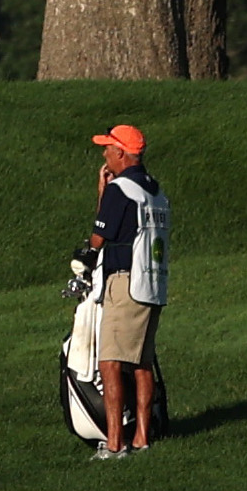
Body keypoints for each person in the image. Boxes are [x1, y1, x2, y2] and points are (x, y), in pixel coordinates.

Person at [84, 123, 170, 458]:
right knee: (141, 362)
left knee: (110, 362)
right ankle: (142, 438)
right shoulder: (156, 190)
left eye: (108, 148)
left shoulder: (121, 189)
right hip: (153, 283)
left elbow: (99, 236)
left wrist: (103, 193)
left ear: (120, 153)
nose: (105, 154)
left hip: (125, 282)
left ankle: (116, 443)